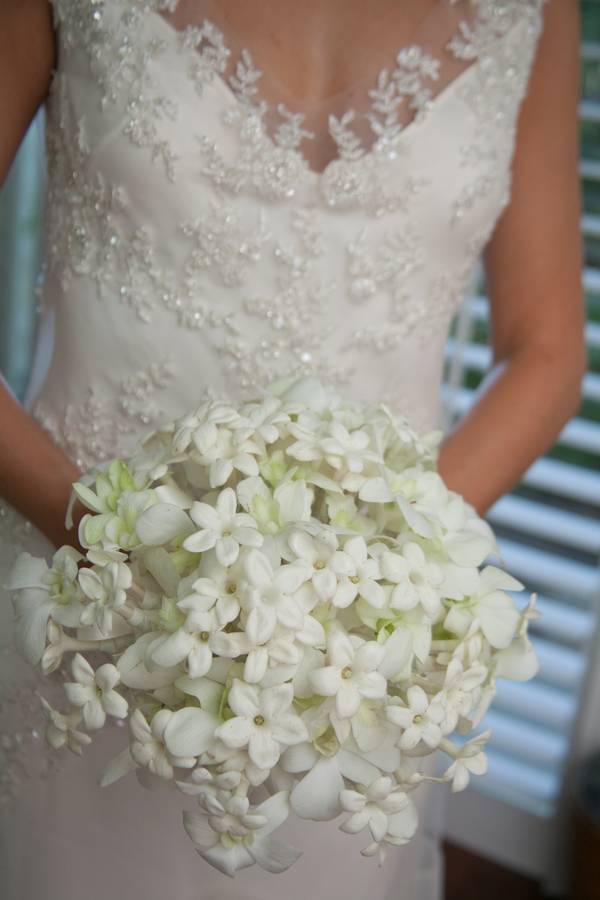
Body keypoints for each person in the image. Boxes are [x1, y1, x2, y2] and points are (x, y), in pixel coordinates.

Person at [0, 1, 585, 898]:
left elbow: (546, 350)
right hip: (79, 617)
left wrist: (382, 580)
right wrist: (114, 555)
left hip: (349, 683)